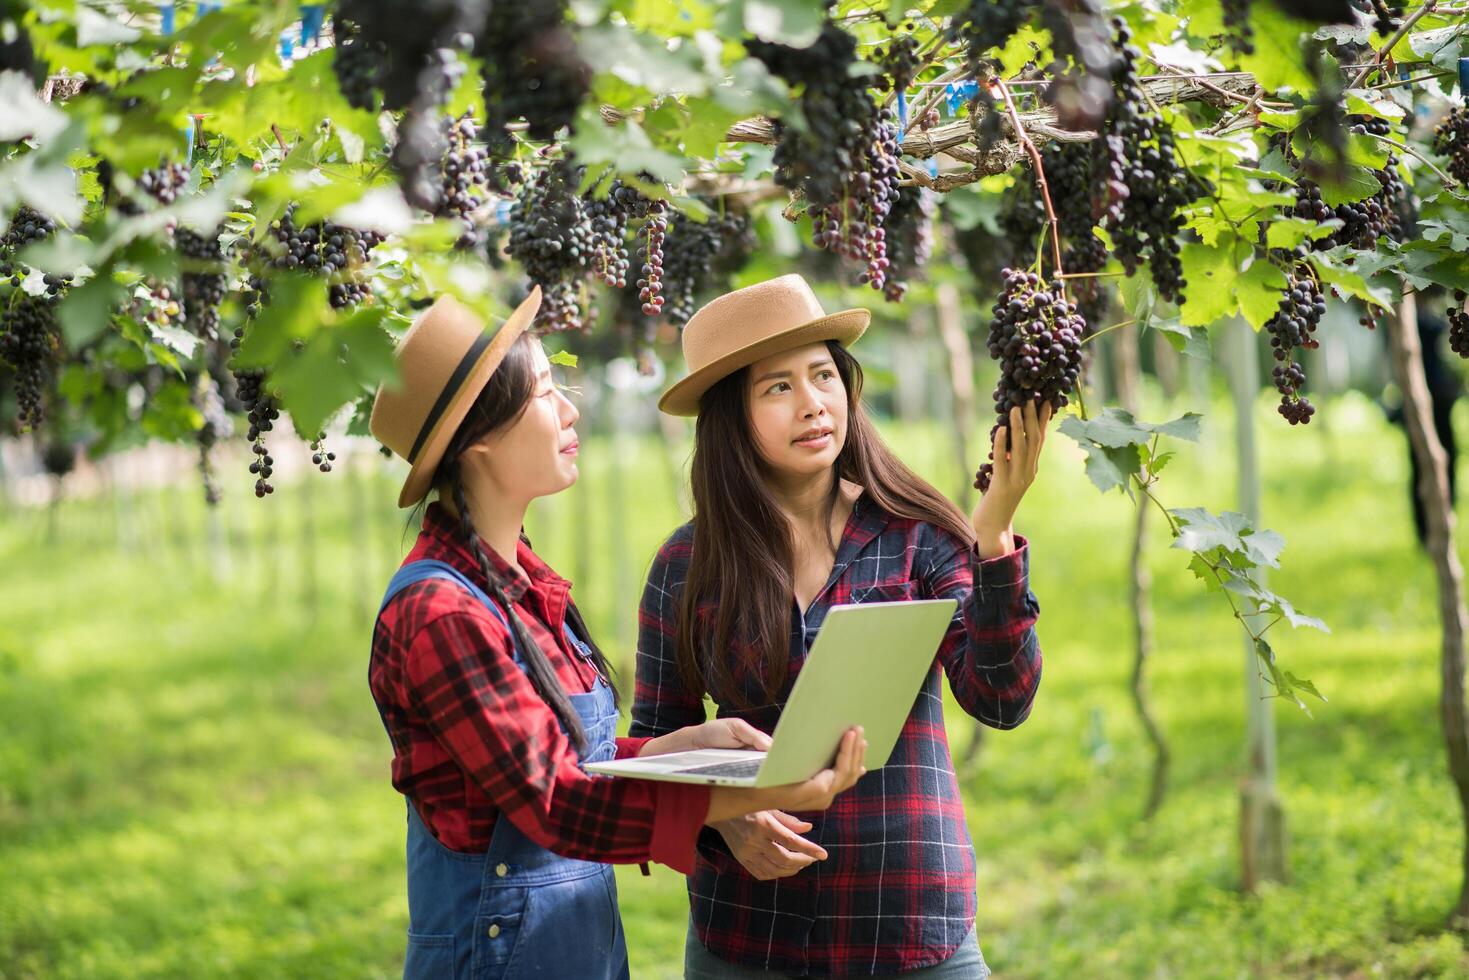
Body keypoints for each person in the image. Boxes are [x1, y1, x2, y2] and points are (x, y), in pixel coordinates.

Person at [368, 288, 868, 980]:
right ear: (478, 437)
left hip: (574, 948)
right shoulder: (443, 613)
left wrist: (667, 750)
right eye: (546, 393)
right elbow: (554, 801)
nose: (571, 411)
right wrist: (757, 794)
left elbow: (544, 753)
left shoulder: (520, 584)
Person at [631, 274, 1048, 978]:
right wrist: (723, 817)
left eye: (822, 375)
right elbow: (653, 745)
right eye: (778, 387)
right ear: (732, 416)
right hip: (750, 933)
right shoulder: (685, 565)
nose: (813, 403)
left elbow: (1002, 699)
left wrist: (995, 538)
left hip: (910, 920)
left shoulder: (916, 536)